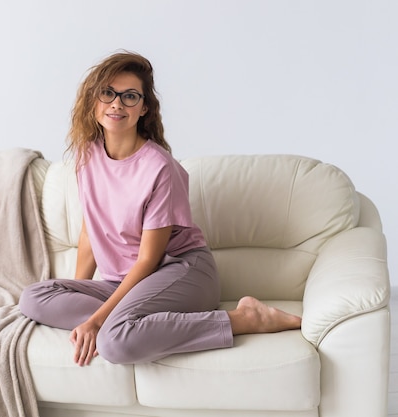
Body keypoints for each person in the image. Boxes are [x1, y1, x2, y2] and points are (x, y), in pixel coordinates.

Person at [18, 51, 301, 367]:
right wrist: (83, 290)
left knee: (115, 341)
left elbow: (148, 260)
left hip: (178, 272)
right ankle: (137, 322)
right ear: (93, 100)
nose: (117, 104)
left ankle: (246, 319)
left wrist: (98, 320)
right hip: (119, 282)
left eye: (130, 97)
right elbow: (90, 231)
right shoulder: (88, 154)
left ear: (144, 108)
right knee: (34, 298)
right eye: (108, 93)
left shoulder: (159, 168)